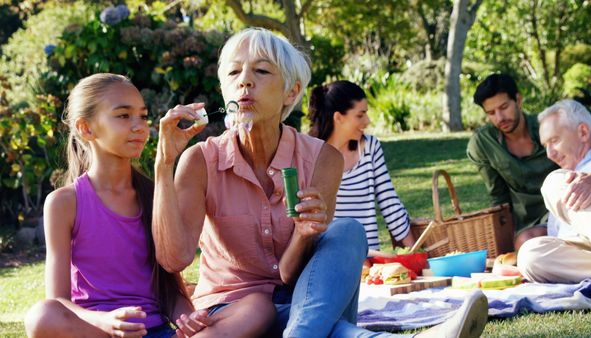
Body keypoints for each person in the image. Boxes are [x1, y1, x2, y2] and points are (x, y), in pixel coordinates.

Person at [153, 27, 488, 337]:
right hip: (235, 316)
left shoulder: (323, 159)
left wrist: (302, 235)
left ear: (291, 91)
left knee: (347, 231)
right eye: (234, 72)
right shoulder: (200, 161)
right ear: (225, 89)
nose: (245, 81)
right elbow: (174, 259)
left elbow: (288, 275)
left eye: (261, 71)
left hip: (307, 301)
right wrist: (164, 163)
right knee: (330, 330)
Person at [23, 73, 203, 338]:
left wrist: (188, 318)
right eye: (123, 116)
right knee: (41, 316)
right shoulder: (63, 203)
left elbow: (169, 287)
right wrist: (105, 322)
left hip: (153, 331)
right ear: (86, 128)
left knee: (248, 314)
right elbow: (58, 301)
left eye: (143, 116)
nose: (139, 126)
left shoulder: (154, 194)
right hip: (95, 331)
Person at [517, 99, 591, 283]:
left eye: (554, 140)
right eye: (545, 146)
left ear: (583, 132)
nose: (550, 153)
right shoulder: (564, 182)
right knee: (529, 256)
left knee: (554, 181)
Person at [307, 80, 416, 252]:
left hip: (370, 261)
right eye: (360, 115)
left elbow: (390, 203)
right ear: (338, 118)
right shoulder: (309, 155)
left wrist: (415, 253)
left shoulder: (370, 147)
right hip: (327, 262)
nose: (367, 121)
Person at [467, 73, 558, 249]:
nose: (500, 118)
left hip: (562, 211)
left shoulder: (548, 127)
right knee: (523, 244)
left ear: (518, 100)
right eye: (491, 113)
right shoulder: (483, 143)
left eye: (504, 107)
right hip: (524, 224)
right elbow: (498, 197)